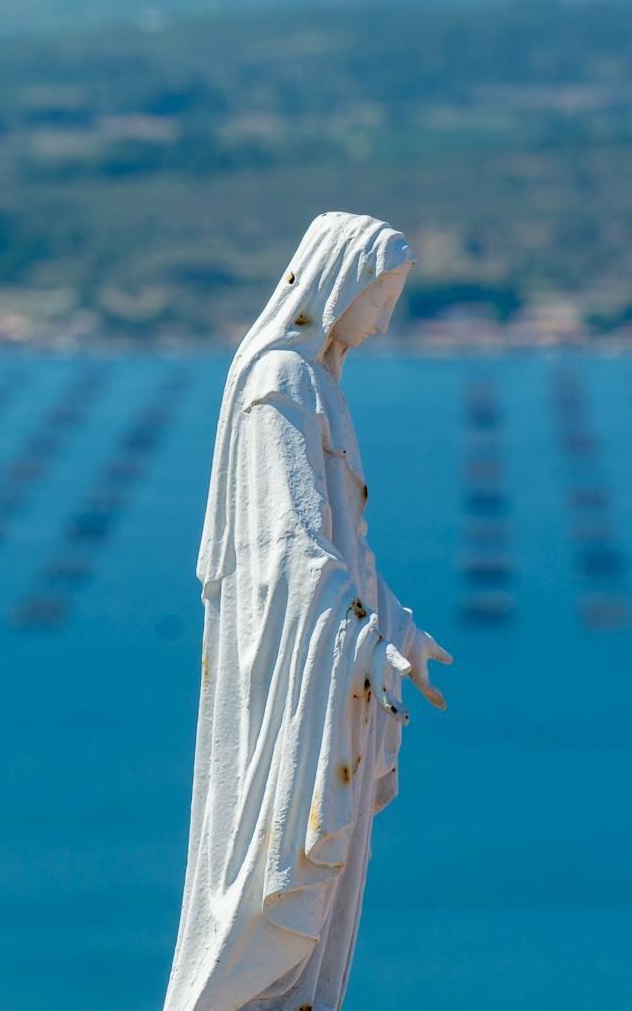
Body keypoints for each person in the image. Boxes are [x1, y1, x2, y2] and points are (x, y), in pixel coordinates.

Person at [166, 212, 451, 1011]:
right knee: (276, 864)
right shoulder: (279, 384)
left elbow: (343, 546)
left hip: (340, 655)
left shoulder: (319, 384)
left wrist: (394, 625)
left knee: (321, 896)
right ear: (338, 285)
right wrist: (356, 633)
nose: (384, 318)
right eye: (380, 295)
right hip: (298, 665)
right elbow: (289, 543)